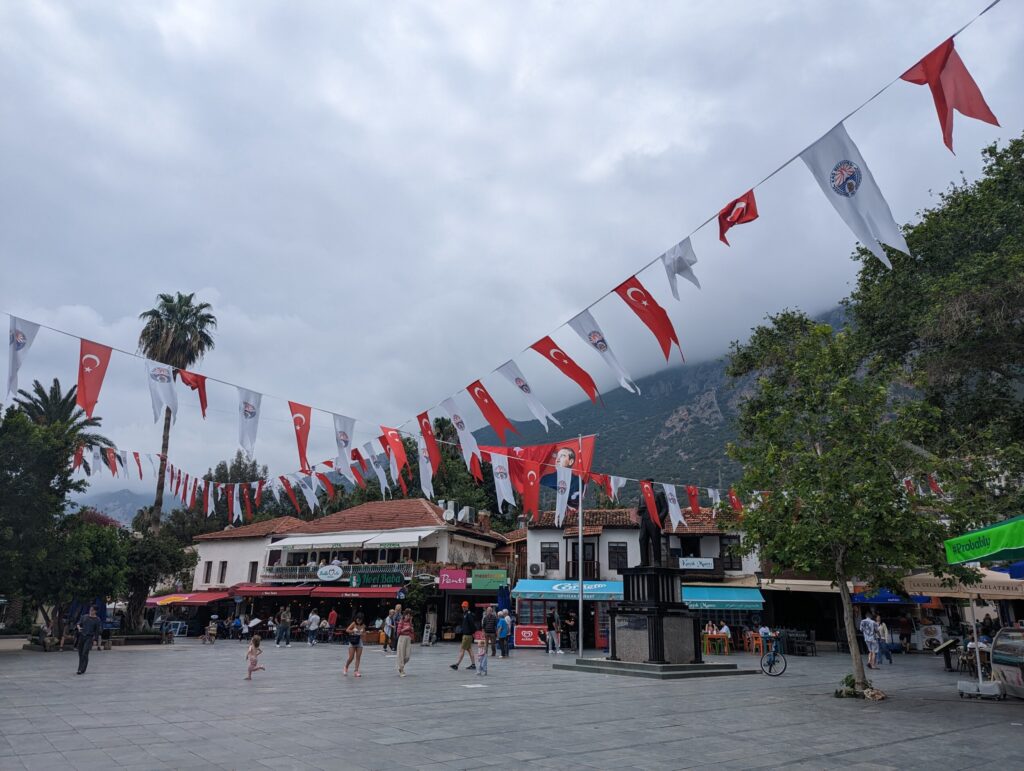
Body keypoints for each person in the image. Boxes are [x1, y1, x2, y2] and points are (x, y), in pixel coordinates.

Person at [450, 602, 477, 671]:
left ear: (467, 607)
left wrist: (473, 632)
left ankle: (457, 665)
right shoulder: (465, 614)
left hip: (467, 635)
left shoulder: (468, 614)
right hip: (467, 635)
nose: (463, 608)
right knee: (469, 650)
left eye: (464, 606)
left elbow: (472, 624)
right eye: (462, 606)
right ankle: (473, 664)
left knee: (462, 650)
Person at [75, 606, 102, 675]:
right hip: (82, 636)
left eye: (92, 610)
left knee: (85, 652)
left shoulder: (97, 620)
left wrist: (95, 640)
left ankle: (82, 669)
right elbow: (78, 623)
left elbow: (97, 631)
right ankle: (79, 669)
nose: (91, 611)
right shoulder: (84, 617)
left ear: (95, 611)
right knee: (80, 653)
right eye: (90, 609)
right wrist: (79, 628)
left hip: (89, 638)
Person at [343, 613, 367, 677]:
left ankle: (356, 671)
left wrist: (362, 633)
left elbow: (364, 634)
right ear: (356, 619)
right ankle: (346, 667)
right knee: (351, 657)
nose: (359, 621)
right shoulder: (353, 623)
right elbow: (347, 630)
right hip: (352, 641)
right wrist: (353, 631)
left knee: (358, 657)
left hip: (359, 641)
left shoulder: (363, 625)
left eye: (360, 620)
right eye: (358, 619)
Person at [395, 610, 414, 677]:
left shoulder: (410, 623)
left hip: (408, 639)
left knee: (407, 656)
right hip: (402, 638)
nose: (408, 617)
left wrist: (411, 626)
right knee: (401, 655)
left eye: (409, 616)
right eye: (407, 615)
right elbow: (398, 632)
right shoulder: (401, 621)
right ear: (404, 615)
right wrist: (406, 628)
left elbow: (412, 631)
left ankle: (400, 667)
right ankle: (402, 671)